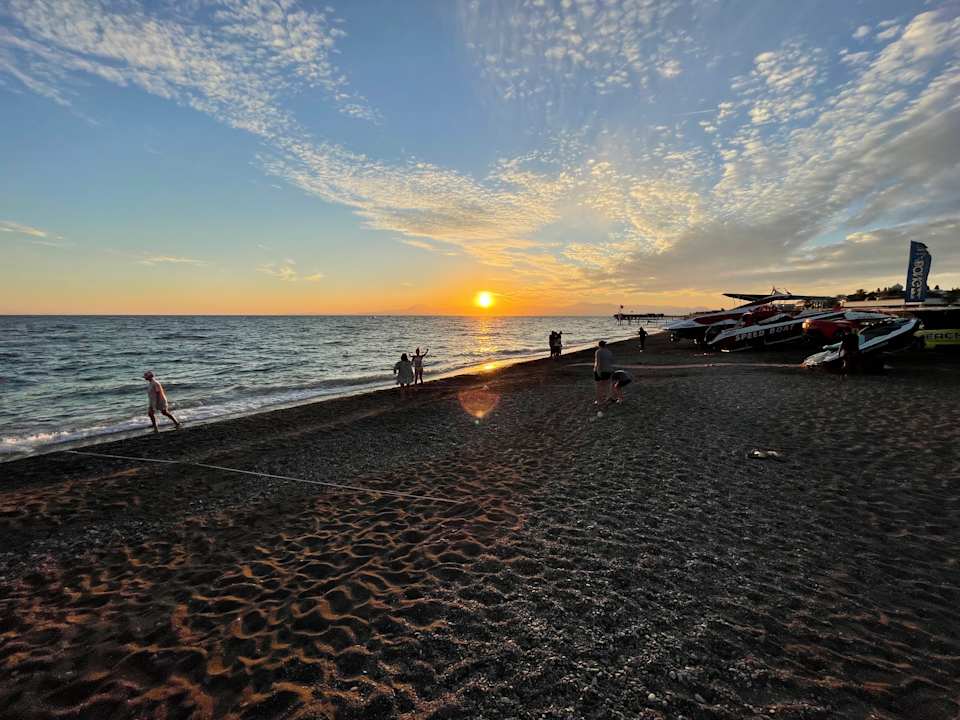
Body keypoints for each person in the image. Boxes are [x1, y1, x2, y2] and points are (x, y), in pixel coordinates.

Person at [593, 340, 614, 405]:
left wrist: (598, 372)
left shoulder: (598, 352)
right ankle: (608, 398)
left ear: (599, 345)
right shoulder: (609, 352)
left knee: (598, 386)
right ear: (605, 345)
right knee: (607, 385)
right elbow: (610, 362)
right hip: (608, 370)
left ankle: (599, 401)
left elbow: (598, 363)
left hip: (600, 370)